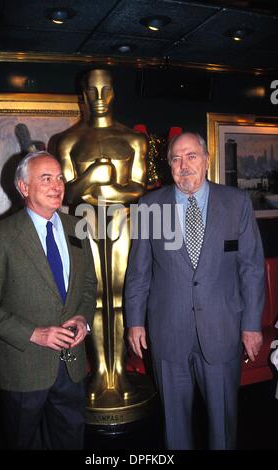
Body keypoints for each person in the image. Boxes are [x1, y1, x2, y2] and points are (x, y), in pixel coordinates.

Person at [125, 132, 265, 450]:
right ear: (169, 165)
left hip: (222, 330)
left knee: (223, 427)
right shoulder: (150, 205)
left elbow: (252, 269)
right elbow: (139, 270)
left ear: (205, 159)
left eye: (191, 156)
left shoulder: (236, 203)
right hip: (167, 332)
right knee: (174, 428)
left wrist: (252, 325)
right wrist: (134, 320)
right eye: (176, 158)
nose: (183, 165)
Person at [0, 151, 97, 449]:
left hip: (72, 368)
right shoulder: (1, 236)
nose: (57, 185)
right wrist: (35, 333)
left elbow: (88, 286)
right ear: (23, 187)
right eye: (46, 178)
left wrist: (83, 320)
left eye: (59, 177)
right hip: (23, 370)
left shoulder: (77, 228)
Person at [57, 69, 147, 401]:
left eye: (104, 90)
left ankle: (120, 371)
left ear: (113, 93)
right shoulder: (67, 141)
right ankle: (100, 373)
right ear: (82, 94)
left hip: (123, 223)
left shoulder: (133, 139)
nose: (98, 98)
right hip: (84, 222)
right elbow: (67, 193)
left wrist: (102, 188)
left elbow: (138, 188)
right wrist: (95, 174)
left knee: (121, 295)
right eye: (91, 91)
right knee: (91, 296)